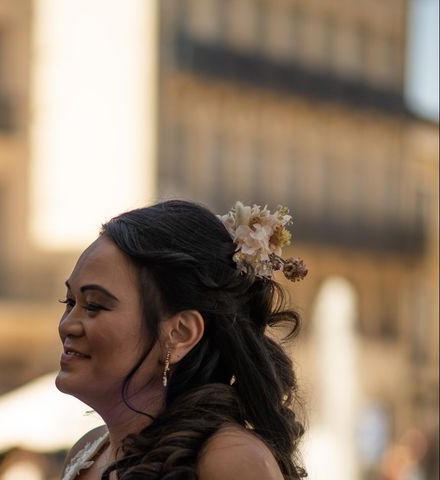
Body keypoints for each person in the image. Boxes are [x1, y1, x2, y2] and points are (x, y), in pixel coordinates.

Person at [56, 200, 308, 480]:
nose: (67, 325)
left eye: (94, 305)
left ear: (180, 334)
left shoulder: (230, 460)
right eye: (69, 302)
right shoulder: (89, 452)